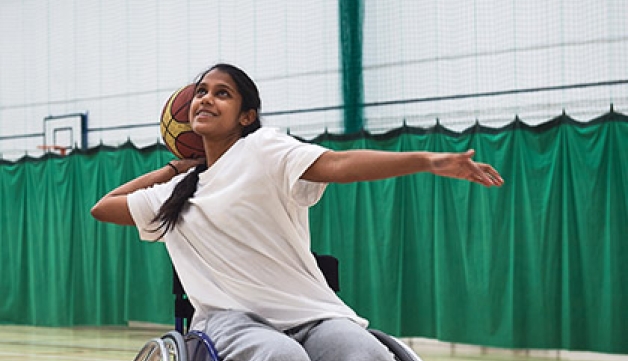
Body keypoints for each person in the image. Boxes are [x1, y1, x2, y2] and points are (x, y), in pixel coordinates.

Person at [91, 63, 504, 361]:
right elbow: (103, 208)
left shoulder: (263, 148)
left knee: (361, 351)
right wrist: (177, 167)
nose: (206, 99)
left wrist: (427, 162)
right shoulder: (176, 193)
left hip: (311, 315)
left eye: (222, 93)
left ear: (246, 116)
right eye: (201, 91)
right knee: (280, 355)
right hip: (228, 322)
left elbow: (339, 165)